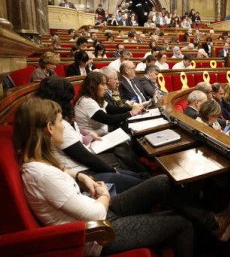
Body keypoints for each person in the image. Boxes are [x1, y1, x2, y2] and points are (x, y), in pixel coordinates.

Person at [14, 98, 196, 256]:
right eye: (61, 121)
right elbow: (97, 213)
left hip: (96, 211)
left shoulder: (39, 163)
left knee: (162, 182)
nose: (64, 126)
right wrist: (104, 195)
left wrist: (80, 176)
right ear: (49, 128)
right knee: (182, 223)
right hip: (99, 234)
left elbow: (61, 172)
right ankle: (209, 226)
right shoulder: (43, 175)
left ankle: (211, 221)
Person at [37, 76, 146, 192]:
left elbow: (78, 138)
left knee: (140, 176)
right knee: (142, 181)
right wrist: (113, 170)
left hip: (86, 166)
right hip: (85, 172)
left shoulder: (58, 121)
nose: (71, 103)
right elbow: (85, 157)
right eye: (68, 100)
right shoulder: (58, 124)